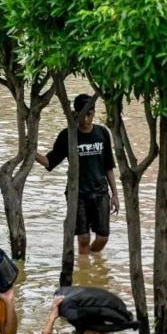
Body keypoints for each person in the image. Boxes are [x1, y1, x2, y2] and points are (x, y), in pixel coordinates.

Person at [35, 94, 119, 254]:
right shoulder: (68, 135)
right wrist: (31, 152)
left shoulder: (102, 133)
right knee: (84, 239)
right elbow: (49, 162)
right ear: (75, 113)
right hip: (78, 194)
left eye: (90, 114)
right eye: (83, 114)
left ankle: (91, 263)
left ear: (94, 113)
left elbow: (109, 166)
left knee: (103, 238)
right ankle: (84, 269)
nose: (87, 119)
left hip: (100, 192)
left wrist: (114, 194)